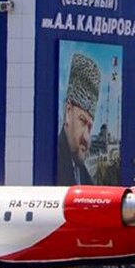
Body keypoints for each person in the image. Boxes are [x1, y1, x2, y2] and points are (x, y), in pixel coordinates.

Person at [57, 52, 100, 185]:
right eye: (82, 121)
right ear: (68, 112)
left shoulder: (83, 174)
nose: (86, 138)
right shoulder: (54, 161)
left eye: (90, 127)